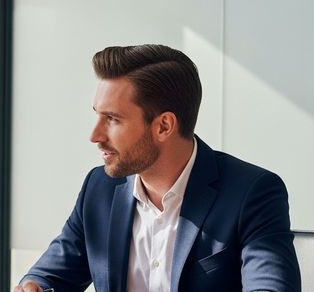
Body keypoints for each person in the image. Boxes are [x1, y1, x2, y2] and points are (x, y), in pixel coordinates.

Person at [16, 44, 301, 292]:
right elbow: (49, 276)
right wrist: (34, 286)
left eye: (113, 119)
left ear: (164, 125)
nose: (95, 135)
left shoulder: (251, 193)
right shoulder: (99, 187)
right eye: (97, 116)